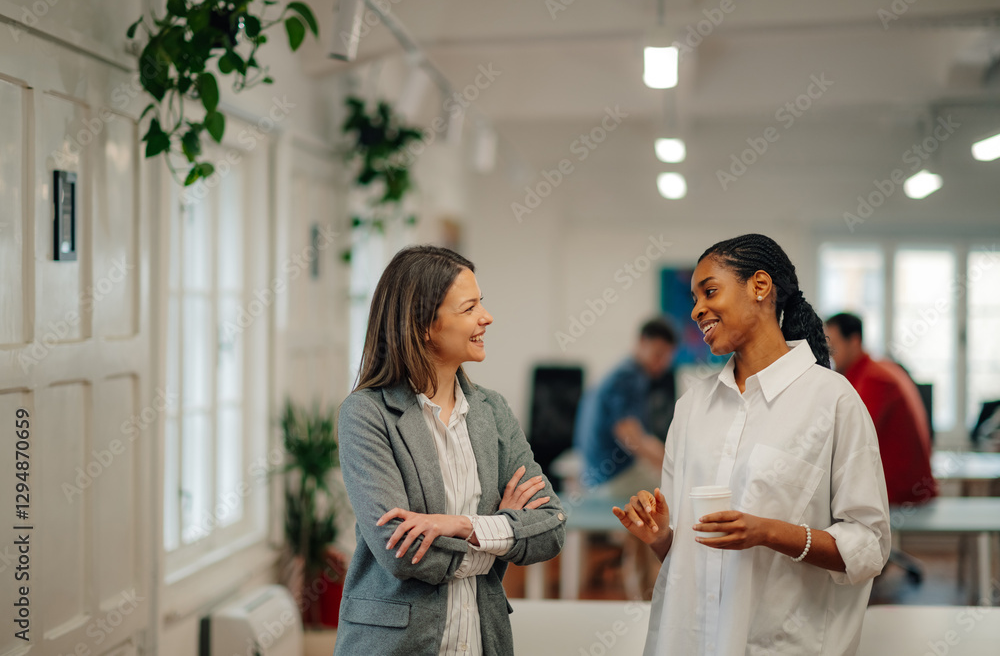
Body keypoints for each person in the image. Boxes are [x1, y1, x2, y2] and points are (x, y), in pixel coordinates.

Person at [613, 234, 891, 655]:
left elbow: (869, 546)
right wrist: (657, 536)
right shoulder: (692, 408)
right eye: (693, 298)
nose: (696, 310)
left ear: (760, 287)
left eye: (709, 291)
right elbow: (684, 554)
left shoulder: (832, 400)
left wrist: (769, 532)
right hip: (689, 640)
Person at [335, 246, 566, 655]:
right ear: (425, 325)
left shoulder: (491, 410)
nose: (486, 317)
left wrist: (459, 526)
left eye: (483, 304)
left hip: (480, 640)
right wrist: (498, 532)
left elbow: (551, 526)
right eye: (469, 307)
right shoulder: (367, 414)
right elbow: (403, 554)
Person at [825, 312, 938, 505]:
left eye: (834, 346)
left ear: (854, 341)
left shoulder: (873, 380)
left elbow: (848, 438)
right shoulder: (876, 370)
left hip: (898, 492)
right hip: (899, 486)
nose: (830, 353)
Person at [573, 317, 678, 496]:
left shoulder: (622, 372)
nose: (662, 364)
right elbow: (632, 437)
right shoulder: (628, 378)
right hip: (610, 479)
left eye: (667, 358)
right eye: (658, 355)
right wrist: (673, 468)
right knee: (676, 492)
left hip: (594, 474)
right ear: (642, 342)